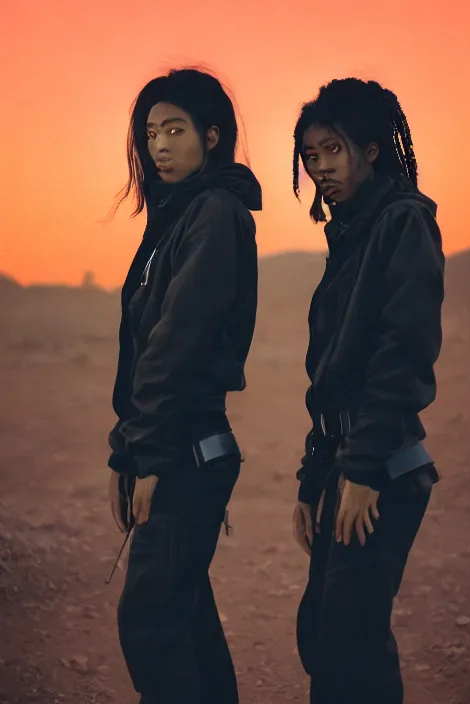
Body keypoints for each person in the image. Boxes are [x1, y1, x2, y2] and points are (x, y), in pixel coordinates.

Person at [106, 67, 262, 704]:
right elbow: (142, 350)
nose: (160, 146)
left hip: (188, 449)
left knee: (148, 622)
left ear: (213, 135)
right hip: (176, 444)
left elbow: (178, 343)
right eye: (150, 133)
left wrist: (152, 454)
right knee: (186, 615)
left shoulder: (215, 214)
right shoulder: (176, 218)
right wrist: (126, 452)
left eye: (175, 129)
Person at [291, 77, 444, 704]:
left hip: (378, 468)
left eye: (332, 149)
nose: (320, 167)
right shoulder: (352, 233)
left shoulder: (402, 224)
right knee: (323, 636)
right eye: (310, 156)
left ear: (372, 149)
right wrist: (312, 478)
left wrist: (361, 473)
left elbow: (401, 359)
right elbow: (333, 374)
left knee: (349, 656)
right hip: (344, 463)